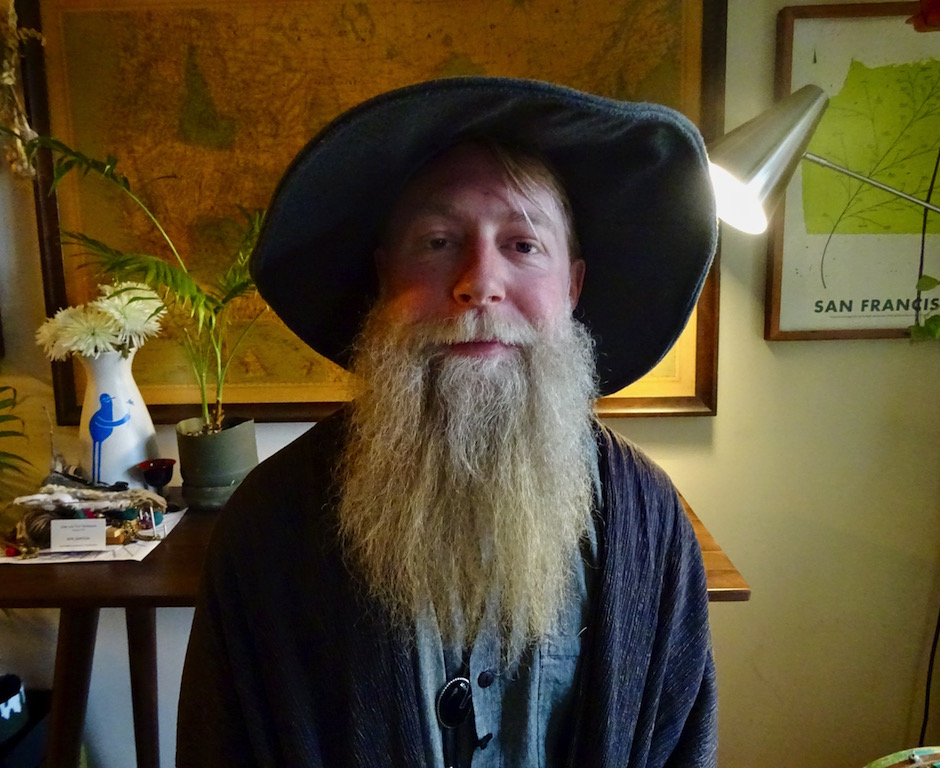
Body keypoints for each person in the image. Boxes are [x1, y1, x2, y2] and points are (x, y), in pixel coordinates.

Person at [176, 77, 719, 767]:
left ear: (572, 286)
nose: (478, 282)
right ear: (384, 279)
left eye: (523, 244)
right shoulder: (270, 521)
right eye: (437, 241)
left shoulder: (650, 524)